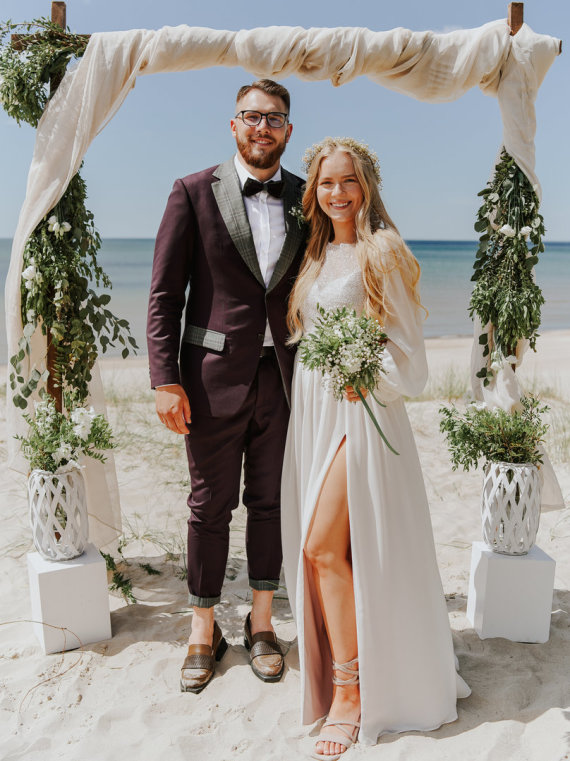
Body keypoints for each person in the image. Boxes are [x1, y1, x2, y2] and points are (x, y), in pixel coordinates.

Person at [281, 137, 470, 758]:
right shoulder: (316, 254)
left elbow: (408, 351)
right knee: (333, 549)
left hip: (359, 414)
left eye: (348, 182)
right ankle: (364, 669)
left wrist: (369, 371)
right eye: (326, 183)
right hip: (313, 413)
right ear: (313, 192)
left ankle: (351, 694)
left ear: (366, 187)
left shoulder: (380, 250)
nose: (337, 193)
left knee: (320, 547)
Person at [147, 79, 306, 693]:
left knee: (270, 504)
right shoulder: (191, 192)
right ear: (232, 125)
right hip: (210, 381)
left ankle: (261, 623)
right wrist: (165, 379)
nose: (262, 127)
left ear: (288, 130)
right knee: (208, 506)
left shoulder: (306, 195)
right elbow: (165, 295)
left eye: (274, 118)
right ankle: (202, 629)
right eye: (251, 116)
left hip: (286, 380)